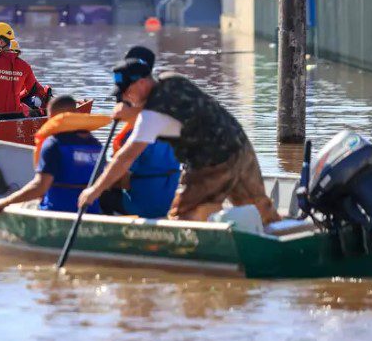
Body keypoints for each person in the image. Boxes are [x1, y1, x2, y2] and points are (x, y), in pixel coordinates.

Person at [78, 51, 282, 225]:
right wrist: (134, 112)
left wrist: (94, 191)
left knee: (181, 216)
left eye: (126, 92)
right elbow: (169, 109)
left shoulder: (150, 118)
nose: (125, 98)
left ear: (141, 83)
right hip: (239, 146)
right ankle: (284, 236)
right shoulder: (172, 79)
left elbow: (125, 158)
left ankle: (195, 251)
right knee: (259, 207)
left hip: (213, 162)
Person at [97, 47, 181, 218]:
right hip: (169, 198)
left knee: (98, 193)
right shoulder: (168, 122)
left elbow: (123, 177)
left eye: (125, 95)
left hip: (143, 205)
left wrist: (96, 183)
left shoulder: (136, 133)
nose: (122, 102)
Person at [0, 95, 103, 214]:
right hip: (90, 211)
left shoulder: (54, 144)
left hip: (56, 210)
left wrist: (5, 202)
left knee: (20, 206)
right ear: (76, 113)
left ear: (53, 117)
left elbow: (40, 187)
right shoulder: (96, 145)